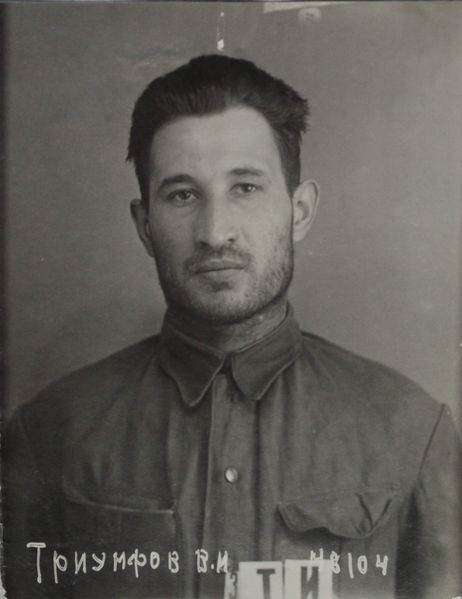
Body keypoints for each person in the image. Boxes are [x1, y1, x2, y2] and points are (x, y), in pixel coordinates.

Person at [4, 54, 461, 599]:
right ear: (145, 225)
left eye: (245, 188)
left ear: (299, 210)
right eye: (182, 195)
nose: (215, 231)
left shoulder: (411, 431)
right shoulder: (49, 432)